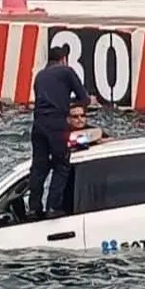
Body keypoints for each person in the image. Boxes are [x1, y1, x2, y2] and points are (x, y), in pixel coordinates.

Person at [27, 45, 93, 219]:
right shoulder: (67, 71)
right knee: (61, 165)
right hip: (57, 125)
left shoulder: (40, 76)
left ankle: (34, 209)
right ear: (63, 58)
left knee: (39, 167)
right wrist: (69, 105)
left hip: (38, 124)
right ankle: (53, 207)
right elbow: (84, 98)